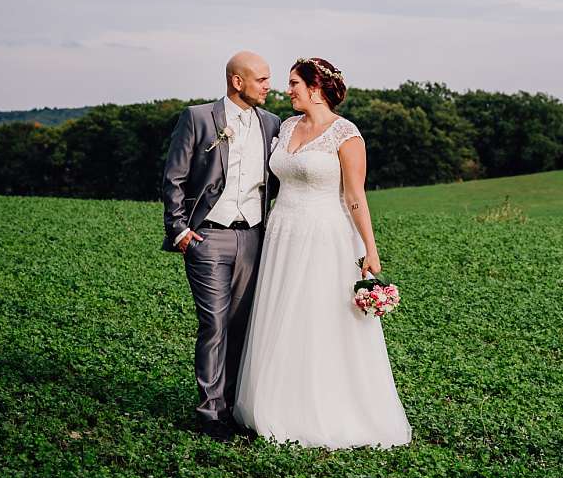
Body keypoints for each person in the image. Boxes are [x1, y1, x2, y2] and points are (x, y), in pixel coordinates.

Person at [232, 57, 411, 449]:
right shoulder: (287, 126)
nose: (287, 89)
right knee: (281, 315)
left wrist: (370, 249)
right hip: (283, 232)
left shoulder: (346, 134)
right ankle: (274, 403)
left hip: (324, 235)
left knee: (319, 318)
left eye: (294, 83)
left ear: (315, 88)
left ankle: (323, 409)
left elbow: (355, 196)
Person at [161, 50, 285, 439]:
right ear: (237, 81)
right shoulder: (198, 118)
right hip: (208, 237)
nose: (269, 86)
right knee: (213, 323)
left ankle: (231, 408)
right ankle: (210, 414)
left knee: (240, 324)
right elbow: (174, 177)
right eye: (262, 79)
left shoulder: (272, 123)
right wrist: (180, 229)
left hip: (253, 236)